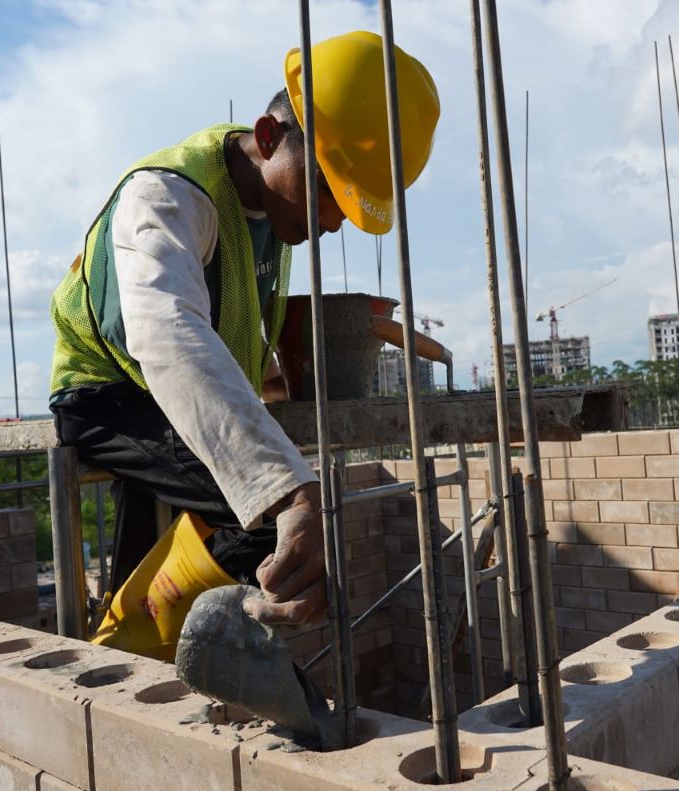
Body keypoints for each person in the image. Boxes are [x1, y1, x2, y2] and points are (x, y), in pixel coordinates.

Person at [47, 30, 439, 629]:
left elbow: (222, 327)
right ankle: (144, 645)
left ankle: (130, 641)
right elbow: (167, 332)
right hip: (107, 395)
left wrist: (277, 375)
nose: (332, 222)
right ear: (267, 137)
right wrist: (287, 491)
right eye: (328, 191)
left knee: (157, 557)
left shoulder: (273, 210)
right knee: (270, 530)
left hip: (172, 400)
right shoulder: (166, 196)